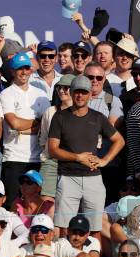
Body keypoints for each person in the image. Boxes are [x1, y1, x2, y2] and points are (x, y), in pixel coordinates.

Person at [49, 75, 125, 239]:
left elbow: (119, 141)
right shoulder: (59, 117)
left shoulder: (98, 118)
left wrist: (104, 160)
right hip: (67, 178)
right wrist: (78, 157)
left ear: (90, 94)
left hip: (94, 179)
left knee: (95, 229)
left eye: (84, 92)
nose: (80, 96)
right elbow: (53, 150)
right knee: (64, 228)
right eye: (77, 92)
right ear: (71, 92)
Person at [0, 52, 49, 207]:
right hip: (14, 158)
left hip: (37, 160)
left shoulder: (41, 95)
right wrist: (37, 122)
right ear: (13, 71)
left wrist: (25, 128)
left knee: (36, 206)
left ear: (31, 70)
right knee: (13, 205)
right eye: (19, 68)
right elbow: (14, 123)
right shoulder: (6, 94)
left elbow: (46, 127)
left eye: (26, 68)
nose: (23, 72)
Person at [85, 62, 125, 203]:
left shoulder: (112, 100)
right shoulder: (76, 100)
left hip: (107, 165)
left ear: (104, 79)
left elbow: (111, 128)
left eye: (99, 78)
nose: (95, 81)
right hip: (80, 165)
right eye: (90, 77)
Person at [39, 75, 74, 201]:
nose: (61, 91)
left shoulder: (85, 112)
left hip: (74, 164)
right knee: (45, 201)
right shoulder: (50, 111)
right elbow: (43, 140)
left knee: (70, 202)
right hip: (51, 162)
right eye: (59, 87)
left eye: (66, 88)